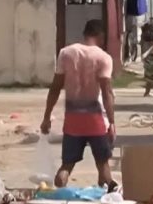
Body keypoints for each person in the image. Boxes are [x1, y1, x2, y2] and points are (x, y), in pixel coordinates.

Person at [41, 19, 116, 190]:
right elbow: (107, 93)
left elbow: (55, 88)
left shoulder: (66, 53)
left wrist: (46, 117)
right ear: (101, 36)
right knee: (102, 164)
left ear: (85, 34)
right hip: (95, 118)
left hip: (72, 118)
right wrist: (111, 122)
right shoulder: (103, 58)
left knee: (67, 165)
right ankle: (106, 194)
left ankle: (60, 187)